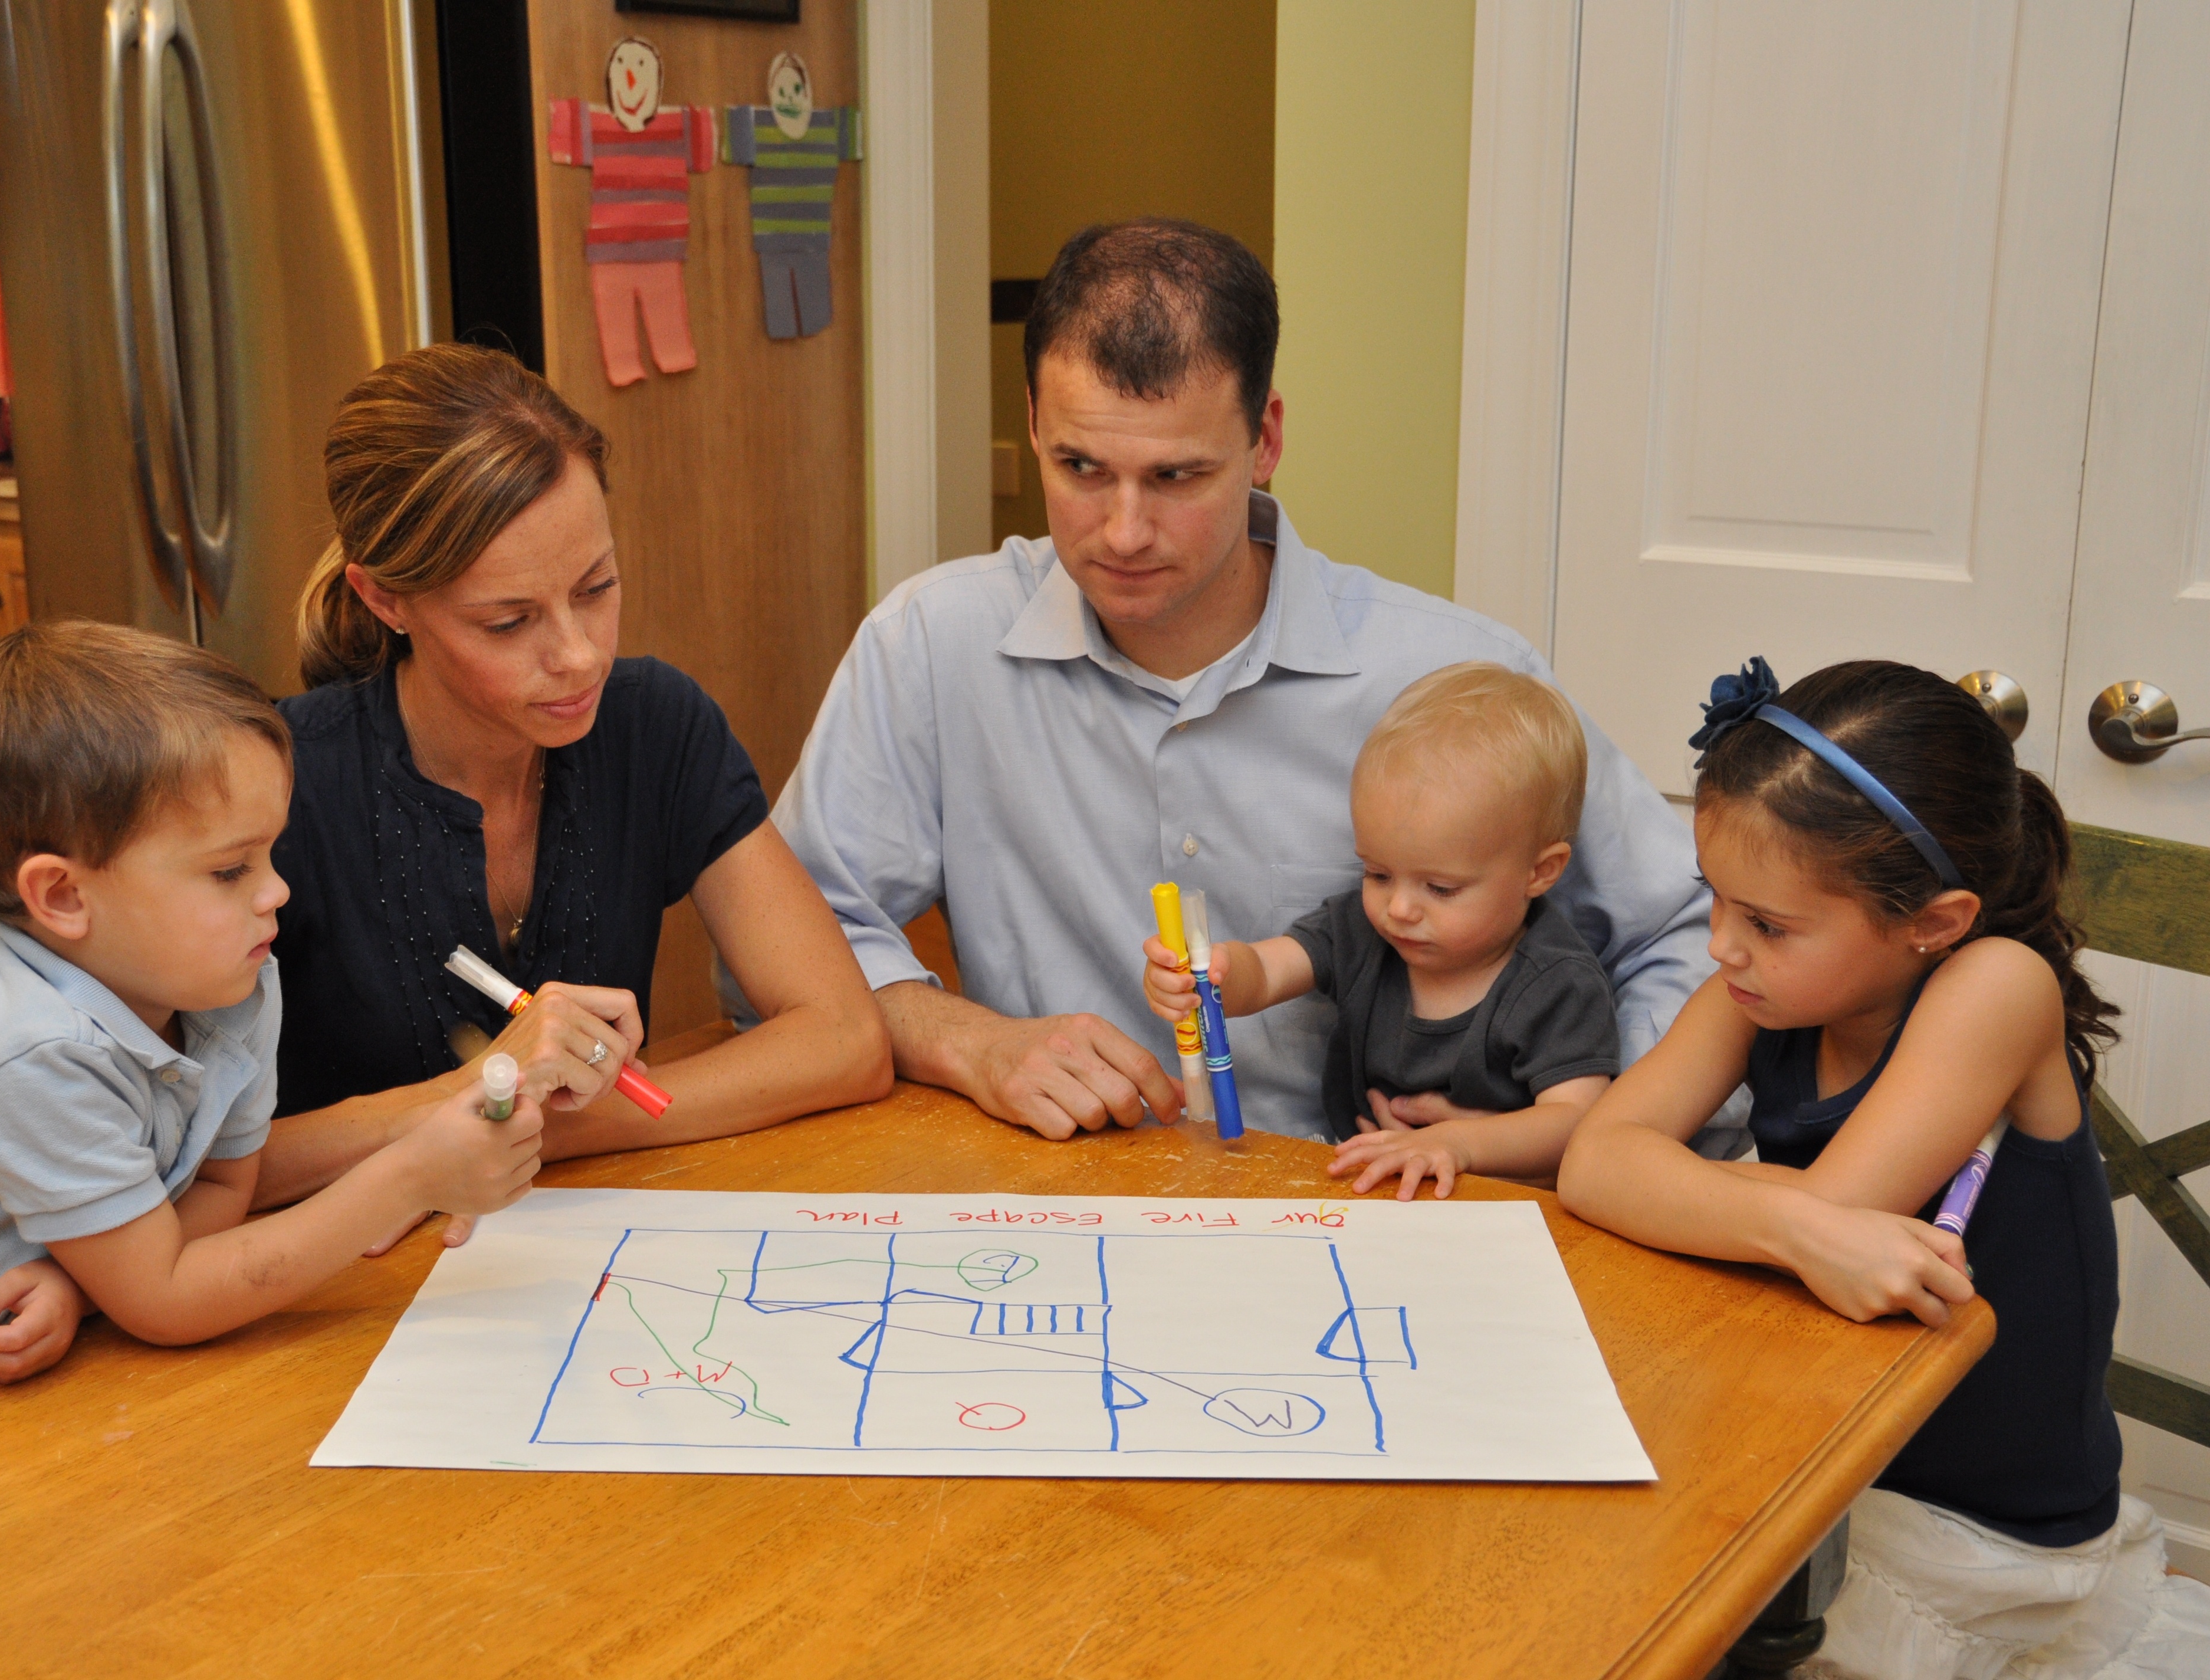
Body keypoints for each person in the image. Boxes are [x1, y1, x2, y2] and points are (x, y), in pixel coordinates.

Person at [769, 218, 1720, 1146]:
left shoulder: (1455, 677)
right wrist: (971, 1044)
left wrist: (1576, 1134)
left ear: (1265, 440)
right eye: (1079, 468)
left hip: (1375, 1203)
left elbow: (1687, 934)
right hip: (1060, 1205)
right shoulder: (931, 645)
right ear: (1030, 422)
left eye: (1176, 475)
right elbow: (790, 943)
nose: (1123, 530)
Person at [0, 622, 540, 1402]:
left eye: (269, 852)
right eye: (229, 870)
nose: (277, 891)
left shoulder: (231, 987)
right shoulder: (26, 1049)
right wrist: (409, 1175)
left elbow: (213, 1191)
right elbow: (167, 1303)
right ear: (61, 897)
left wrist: (88, 1282)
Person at [1558, 658, 2210, 1677]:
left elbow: (1825, 1205)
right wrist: (1794, 1218)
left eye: (1765, 922)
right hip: (1816, 1455)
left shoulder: (1995, 982)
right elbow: (1593, 1161)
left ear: (1932, 922)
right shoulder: (1752, 989)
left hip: (1978, 1528)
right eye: (1713, 900)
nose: (1719, 945)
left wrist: (1725, 1194)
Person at [257, 344, 889, 1246]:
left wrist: (519, 1130)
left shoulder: (653, 725)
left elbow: (844, 1039)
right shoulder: (278, 791)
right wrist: (476, 1097)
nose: (580, 655)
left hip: (575, 1269)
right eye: (509, 622)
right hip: (327, 1306)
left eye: (597, 588)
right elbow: (199, 1171)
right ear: (386, 599)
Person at [1140, 662, 1618, 1199]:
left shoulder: (1559, 983)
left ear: (1540, 872)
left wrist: (1456, 1145)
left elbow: (1578, 1121)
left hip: (1503, 1208)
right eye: (1378, 874)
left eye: (1440, 888)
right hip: (1365, 1197)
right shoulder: (1364, 930)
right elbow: (1270, 970)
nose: (1400, 909)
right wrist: (1217, 973)